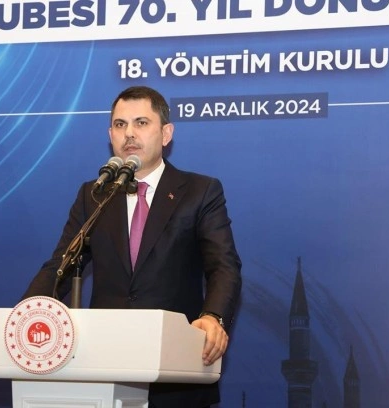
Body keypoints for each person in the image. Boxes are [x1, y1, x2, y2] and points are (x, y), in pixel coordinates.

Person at [22, 86, 242, 408]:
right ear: (110, 134)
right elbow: (61, 266)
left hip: (175, 371)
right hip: (105, 368)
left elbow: (224, 266)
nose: (129, 134)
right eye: (120, 124)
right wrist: (25, 313)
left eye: (141, 123)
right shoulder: (94, 195)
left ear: (166, 134)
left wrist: (213, 316)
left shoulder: (200, 191)